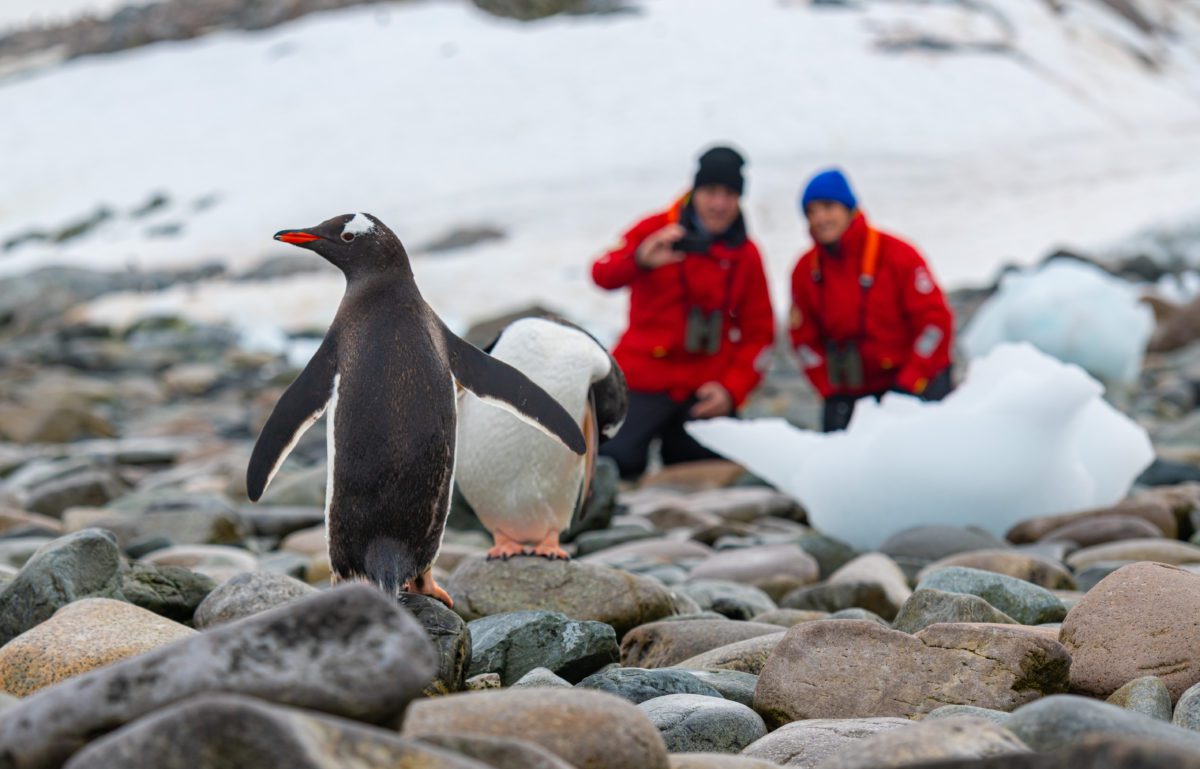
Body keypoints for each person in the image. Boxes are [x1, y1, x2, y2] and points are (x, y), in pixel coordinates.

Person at [591, 146, 775, 479]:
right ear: (695, 191)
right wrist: (639, 261)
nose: (719, 203)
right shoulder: (655, 230)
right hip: (642, 379)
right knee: (614, 462)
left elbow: (760, 333)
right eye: (711, 192)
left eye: (729, 194)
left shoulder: (745, 255)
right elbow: (601, 274)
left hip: (703, 387)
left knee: (715, 465)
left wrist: (731, 390)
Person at [789, 168, 954, 432]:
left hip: (914, 381)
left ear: (849, 208)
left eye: (828, 207)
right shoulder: (805, 271)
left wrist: (910, 382)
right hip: (852, 390)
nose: (820, 218)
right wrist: (828, 389)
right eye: (811, 212)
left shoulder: (898, 255)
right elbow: (803, 340)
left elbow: (935, 324)